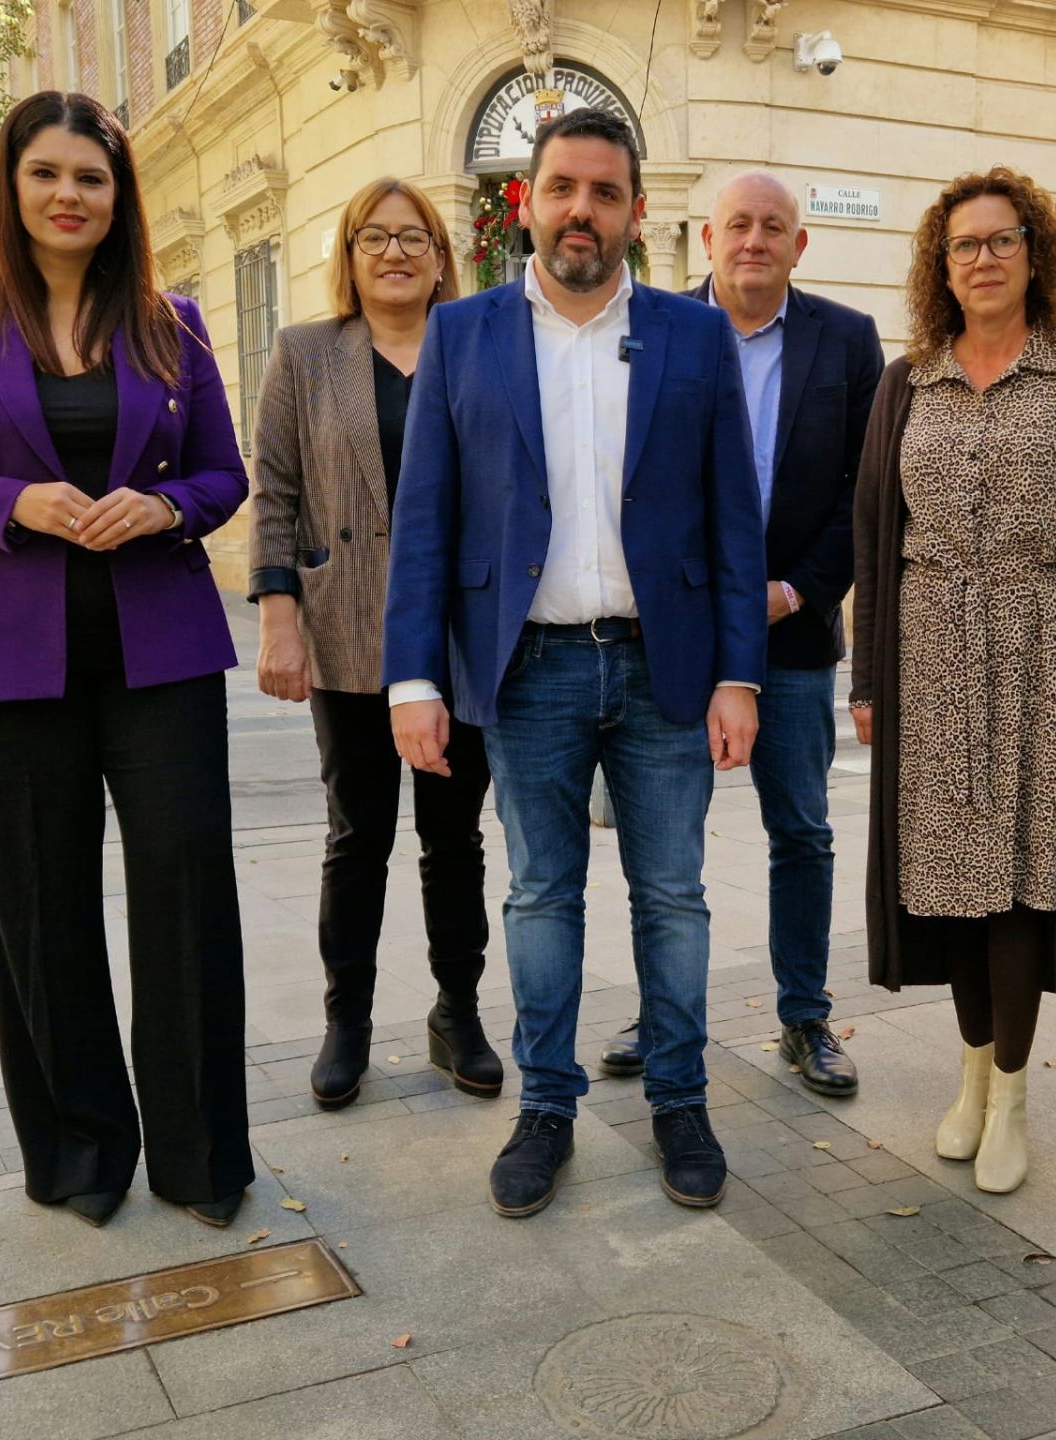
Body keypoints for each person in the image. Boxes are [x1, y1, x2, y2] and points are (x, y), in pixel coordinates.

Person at [0, 90, 254, 1230]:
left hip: (162, 649)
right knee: (40, 905)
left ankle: (200, 1158)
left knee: (188, 888)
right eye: (46, 173)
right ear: (12, 184)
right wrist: (9, 502)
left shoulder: (173, 322)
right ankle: (82, 1153)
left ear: (119, 195)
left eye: (91, 177)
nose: (69, 195)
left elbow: (222, 474)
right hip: (3, 655)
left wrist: (165, 508)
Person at [383, 110, 767, 1218]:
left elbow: (733, 520)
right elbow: (425, 520)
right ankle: (546, 1106)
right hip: (527, 670)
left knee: (674, 896)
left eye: (605, 192)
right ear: (528, 203)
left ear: (637, 213)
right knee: (541, 896)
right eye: (561, 188)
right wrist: (414, 679)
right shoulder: (463, 335)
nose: (581, 211)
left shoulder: (695, 337)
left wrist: (738, 673)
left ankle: (680, 1100)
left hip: (665, 667)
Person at [849, 167, 1056, 1194]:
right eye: (965, 244)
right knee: (948, 886)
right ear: (943, 264)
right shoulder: (906, 382)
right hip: (927, 656)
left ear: (1034, 253)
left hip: (1036, 657)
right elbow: (875, 538)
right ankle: (971, 1075)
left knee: (1020, 881)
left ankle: (1012, 1094)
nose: (983, 258)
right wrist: (867, 681)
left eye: (1002, 239)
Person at [597, 172, 884, 1098]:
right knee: (664, 845)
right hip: (676, 636)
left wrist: (796, 591)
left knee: (800, 829)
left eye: (772, 227)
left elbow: (867, 492)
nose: (754, 240)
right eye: (738, 225)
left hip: (790, 636)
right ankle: (664, 1012)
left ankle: (804, 1017)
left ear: (799, 245)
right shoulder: (656, 330)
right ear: (707, 237)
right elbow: (625, 478)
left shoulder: (847, 340)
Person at [250, 179, 501, 1110]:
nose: (395, 253)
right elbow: (275, 489)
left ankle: (457, 1013)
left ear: (441, 255)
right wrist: (279, 618)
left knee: (454, 840)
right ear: (350, 256)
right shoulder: (306, 352)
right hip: (347, 626)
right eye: (374, 238)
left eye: (413, 237)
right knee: (357, 838)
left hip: (459, 636)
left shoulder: (479, 346)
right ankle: (346, 1022)